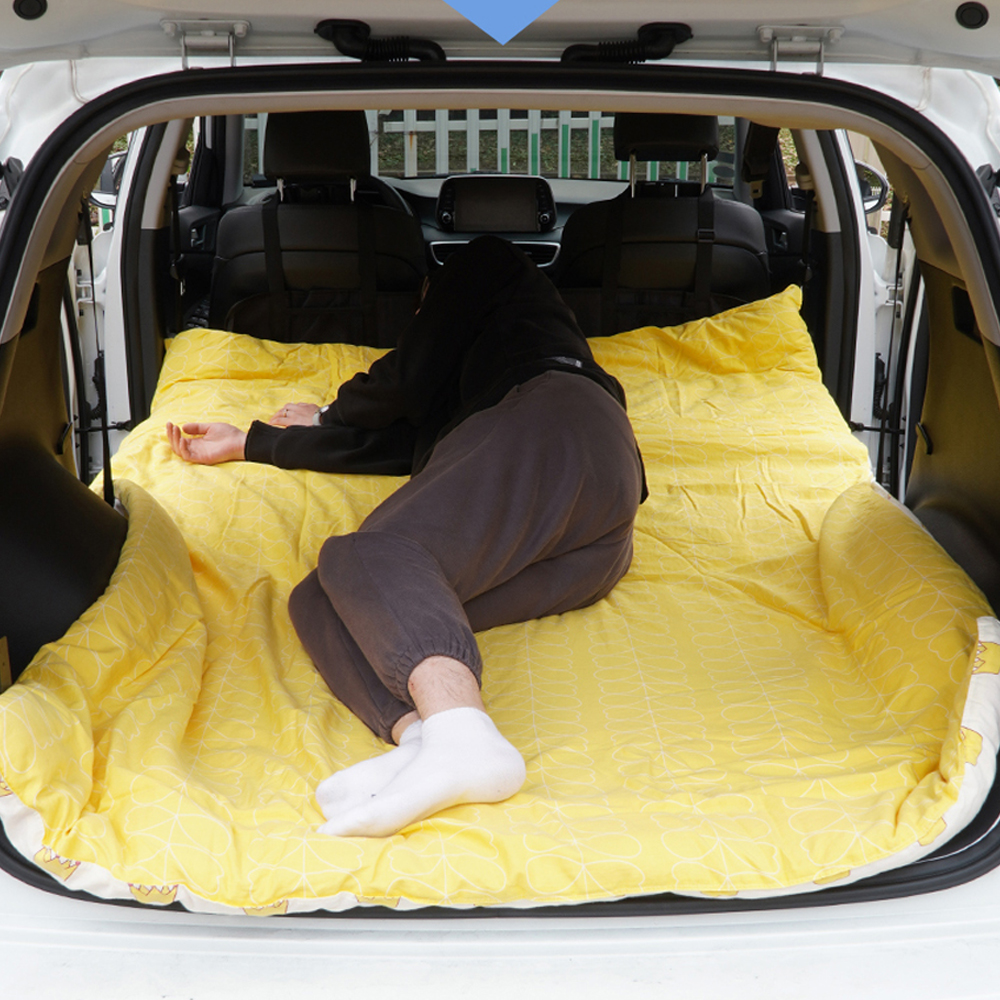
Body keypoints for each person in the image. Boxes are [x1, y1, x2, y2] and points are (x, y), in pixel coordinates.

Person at [167, 235, 646, 838]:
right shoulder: (462, 405)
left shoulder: (487, 262)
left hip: (562, 424)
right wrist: (252, 442)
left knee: (370, 552)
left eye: (423, 313)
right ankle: (423, 743)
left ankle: (463, 733)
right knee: (324, 596)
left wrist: (330, 411)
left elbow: (405, 377)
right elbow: (390, 445)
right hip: (591, 544)